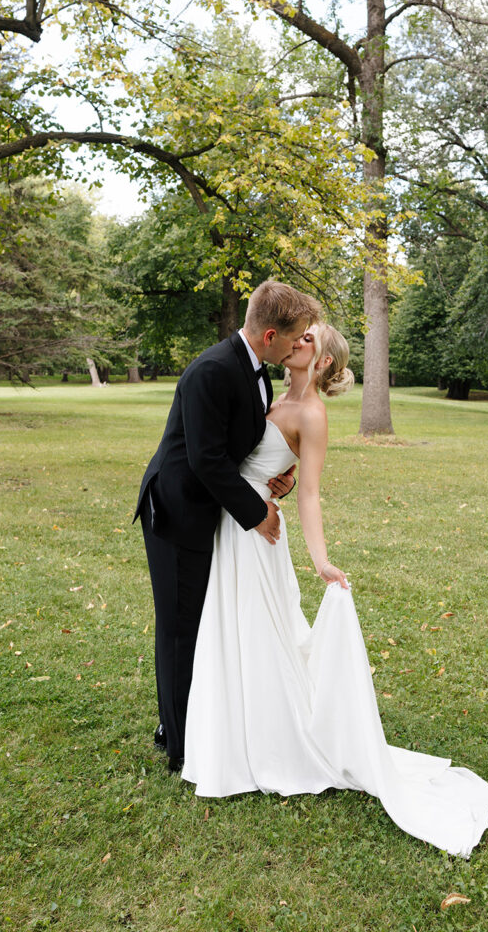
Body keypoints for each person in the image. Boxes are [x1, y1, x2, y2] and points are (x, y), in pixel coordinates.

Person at [182, 323, 488, 857]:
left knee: (260, 636)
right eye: (297, 334)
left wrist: (320, 558)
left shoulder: (313, 414)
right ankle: (229, 737)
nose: (296, 342)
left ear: (323, 362)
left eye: (308, 340)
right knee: (232, 630)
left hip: (260, 535)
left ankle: (267, 743)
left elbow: (309, 494)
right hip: (234, 522)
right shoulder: (269, 391)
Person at [134, 281, 322, 770]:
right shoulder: (213, 370)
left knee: (203, 623)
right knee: (180, 628)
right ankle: (177, 743)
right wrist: (257, 513)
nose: (300, 343)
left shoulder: (257, 370)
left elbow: (239, 444)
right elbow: (205, 459)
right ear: (269, 337)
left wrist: (269, 481)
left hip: (213, 508)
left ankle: (194, 720)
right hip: (178, 512)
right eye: (296, 335)